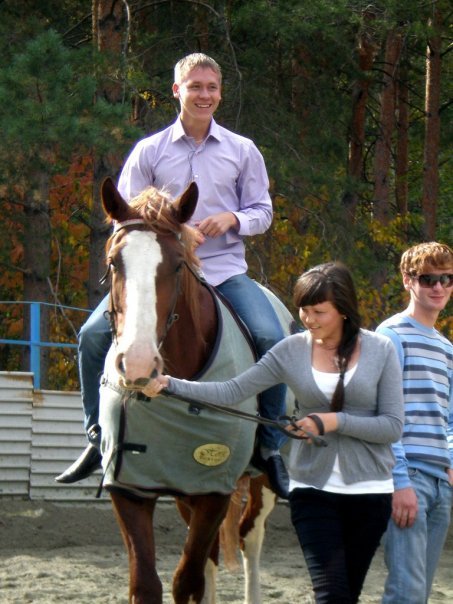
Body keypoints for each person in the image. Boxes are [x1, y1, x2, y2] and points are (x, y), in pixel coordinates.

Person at [55, 52, 290, 498]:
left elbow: (263, 211)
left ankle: (269, 446)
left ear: (220, 93)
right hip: (157, 275)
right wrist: (177, 233)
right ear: (177, 90)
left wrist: (233, 219)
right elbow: (124, 217)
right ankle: (95, 437)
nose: (204, 95)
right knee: (90, 336)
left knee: (271, 338)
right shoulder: (150, 150)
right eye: (195, 86)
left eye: (212, 87)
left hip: (222, 272)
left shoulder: (243, 150)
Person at [142, 261, 405, 604]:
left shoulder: (380, 349)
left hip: (370, 493)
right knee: (331, 595)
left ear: (343, 310)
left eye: (319, 311)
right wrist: (170, 385)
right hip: (312, 489)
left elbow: (391, 426)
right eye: (304, 310)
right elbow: (232, 390)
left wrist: (333, 422)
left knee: (347, 595)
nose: (308, 319)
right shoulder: (291, 349)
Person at [376, 242, 453, 604]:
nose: (438, 287)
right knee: (405, 593)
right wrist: (400, 482)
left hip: (440, 484)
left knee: (418, 594)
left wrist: (450, 465)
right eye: (427, 279)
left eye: (446, 278)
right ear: (408, 281)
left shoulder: (446, 348)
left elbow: (449, 416)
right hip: (409, 480)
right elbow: (383, 414)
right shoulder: (390, 336)